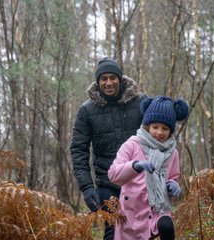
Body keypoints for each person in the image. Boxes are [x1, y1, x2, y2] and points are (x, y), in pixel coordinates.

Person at [70, 57, 146, 240]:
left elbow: (157, 136)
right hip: (107, 182)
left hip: (139, 180)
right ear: (98, 82)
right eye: (104, 78)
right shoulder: (87, 111)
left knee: (142, 232)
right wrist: (87, 187)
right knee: (113, 232)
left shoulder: (141, 102)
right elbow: (78, 149)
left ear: (120, 79)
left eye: (113, 77)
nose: (109, 82)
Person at [108, 96, 189, 240]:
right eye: (155, 127)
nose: (159, 132)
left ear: (170, 131)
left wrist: (173, 184)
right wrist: (135, 166)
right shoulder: (132, 144)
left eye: (165, 128)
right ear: (147, 126)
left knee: (166, 226)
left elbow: (173, 176)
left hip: (158, 208)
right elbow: (113, 174)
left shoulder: (172, 152)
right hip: (132, 209)